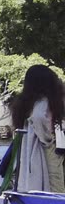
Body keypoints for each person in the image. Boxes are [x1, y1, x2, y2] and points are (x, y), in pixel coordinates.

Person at [11, 64, 65, 193]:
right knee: (55, 183)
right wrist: (48, 138)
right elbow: (39, 118)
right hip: (50, 148)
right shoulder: (45, 101)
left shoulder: (26, 102)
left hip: (30, 149)